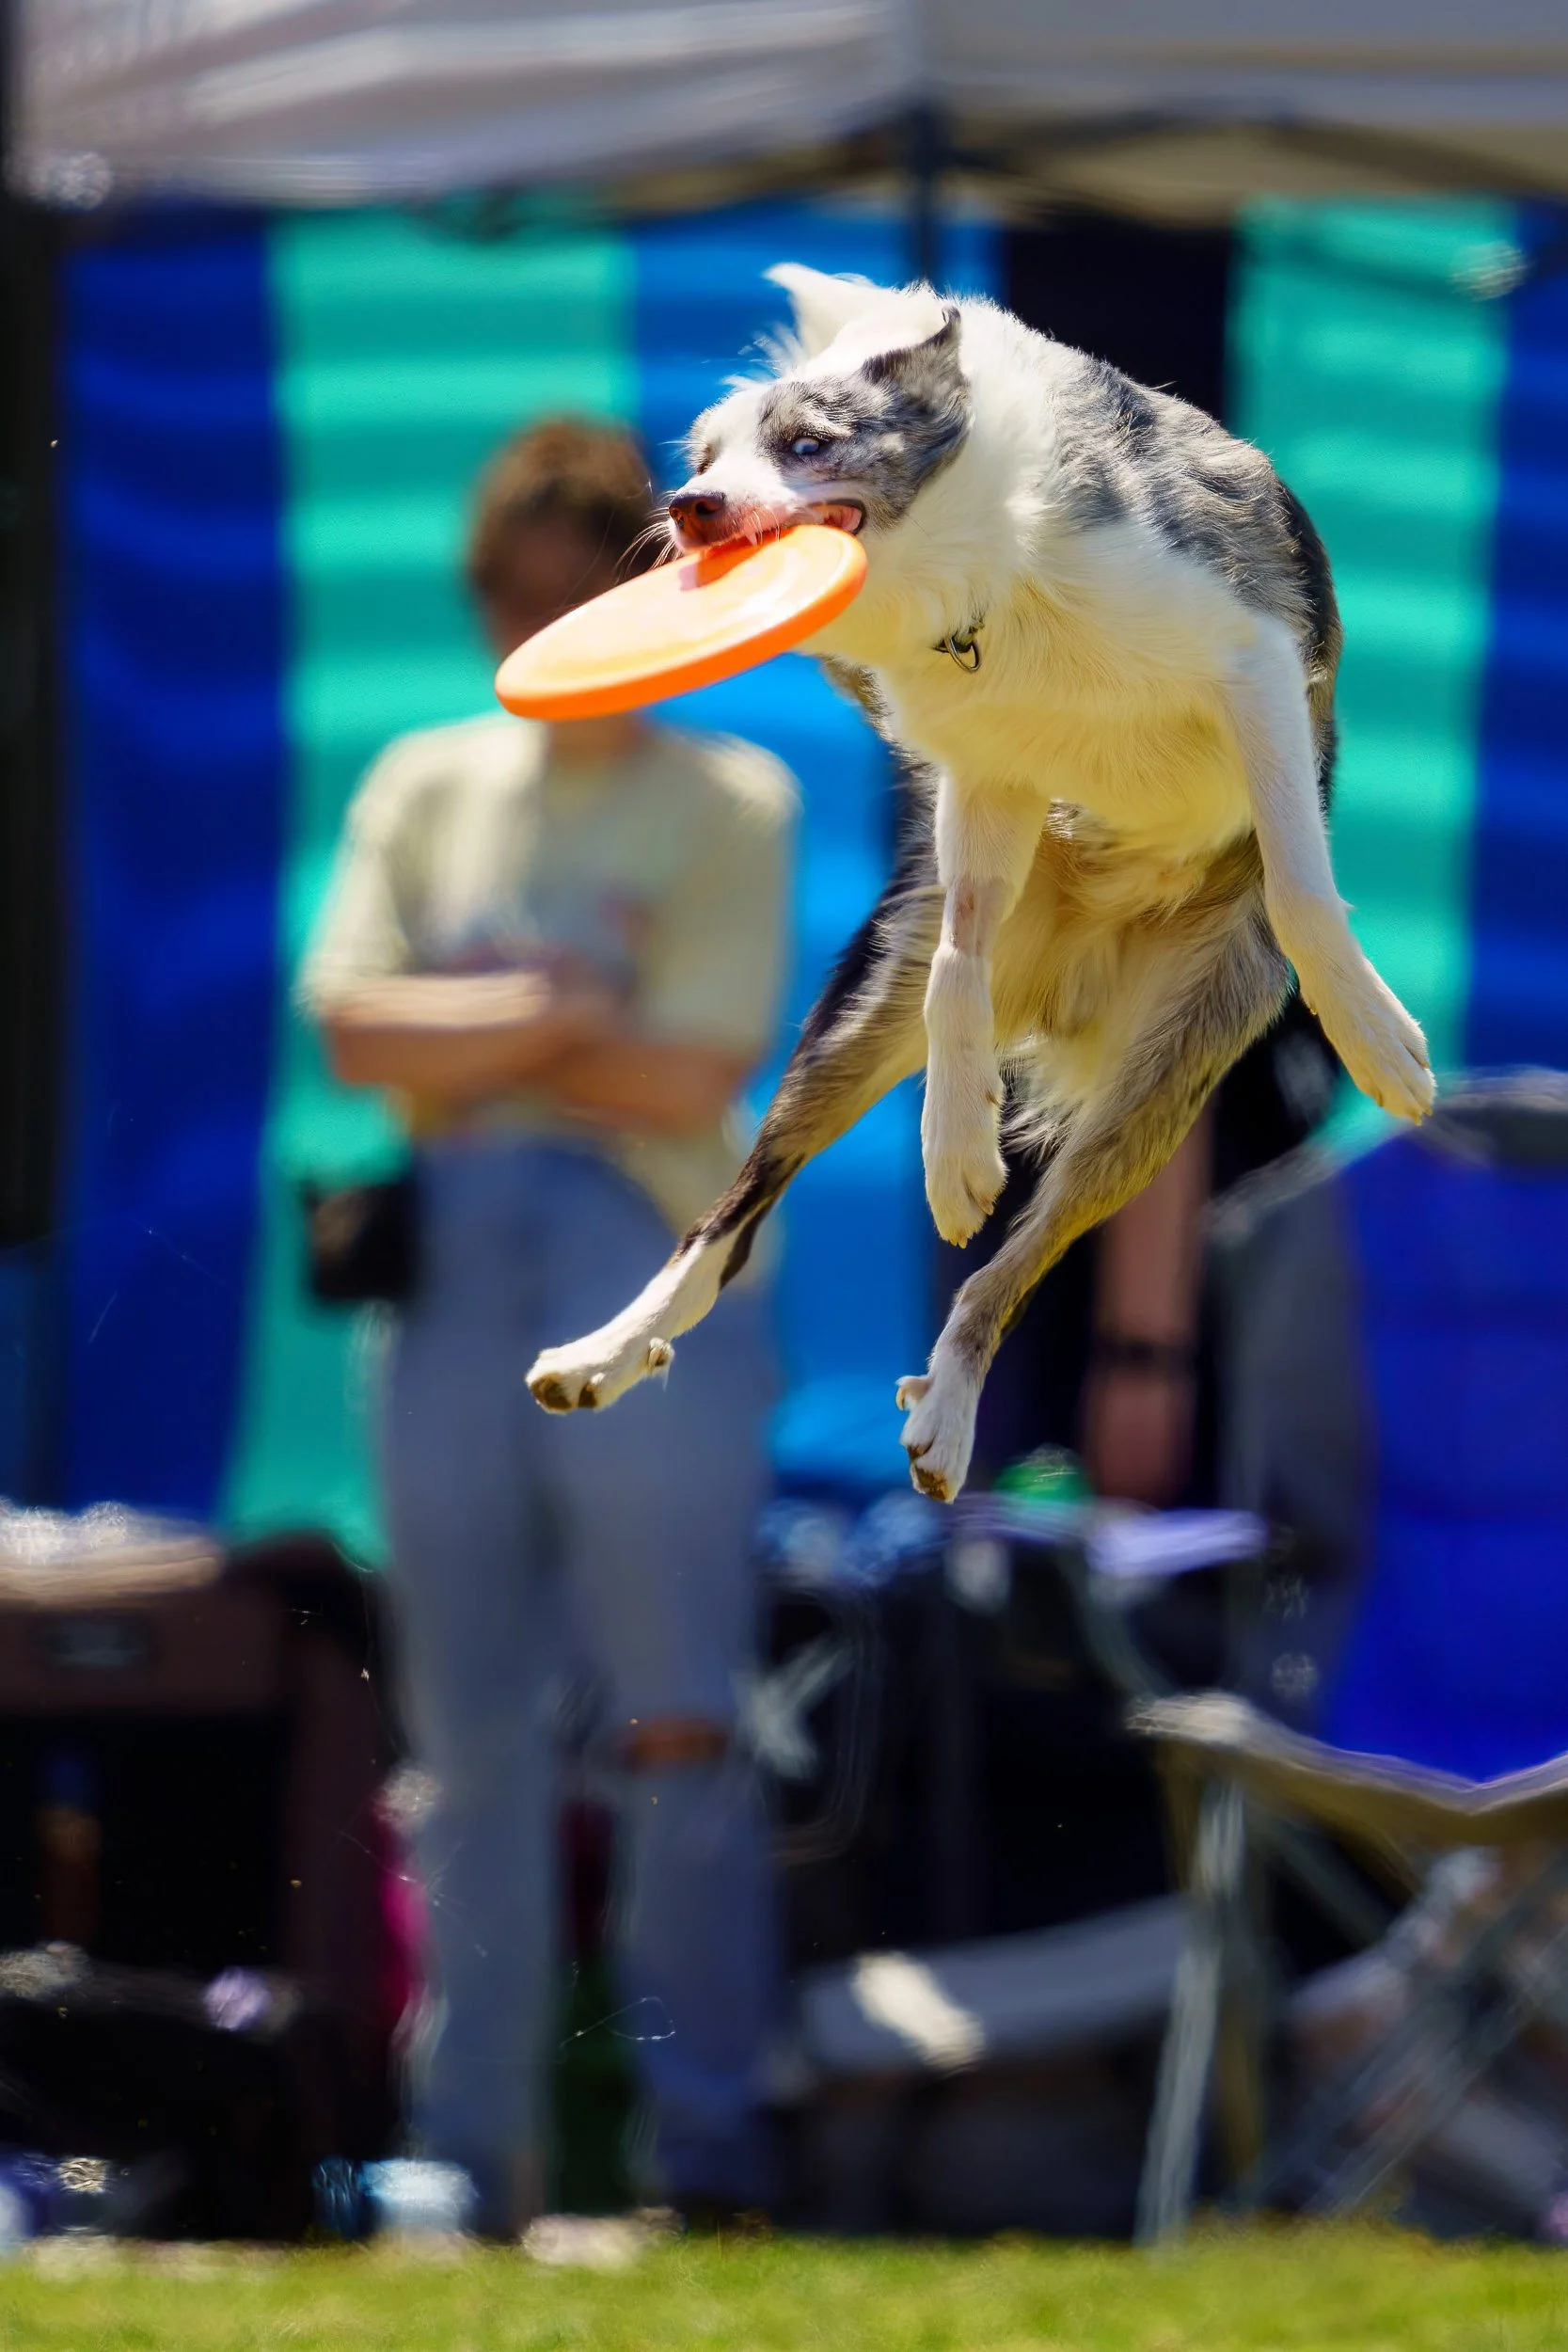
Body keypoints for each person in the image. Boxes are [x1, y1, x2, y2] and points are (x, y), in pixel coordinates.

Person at [300, 417, 796, 2235]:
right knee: (471, 1742)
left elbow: (700, 1057)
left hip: (653, 1263)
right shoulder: (428, 779)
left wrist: (473, 1023)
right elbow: (347, 1027)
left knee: (676, 1723)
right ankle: (470, 2161)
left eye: (579, 597)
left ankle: (711, 2147)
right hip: (451, 1269)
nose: (546, 632)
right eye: (515, 602)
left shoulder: (730, 791)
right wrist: (565, 1003)